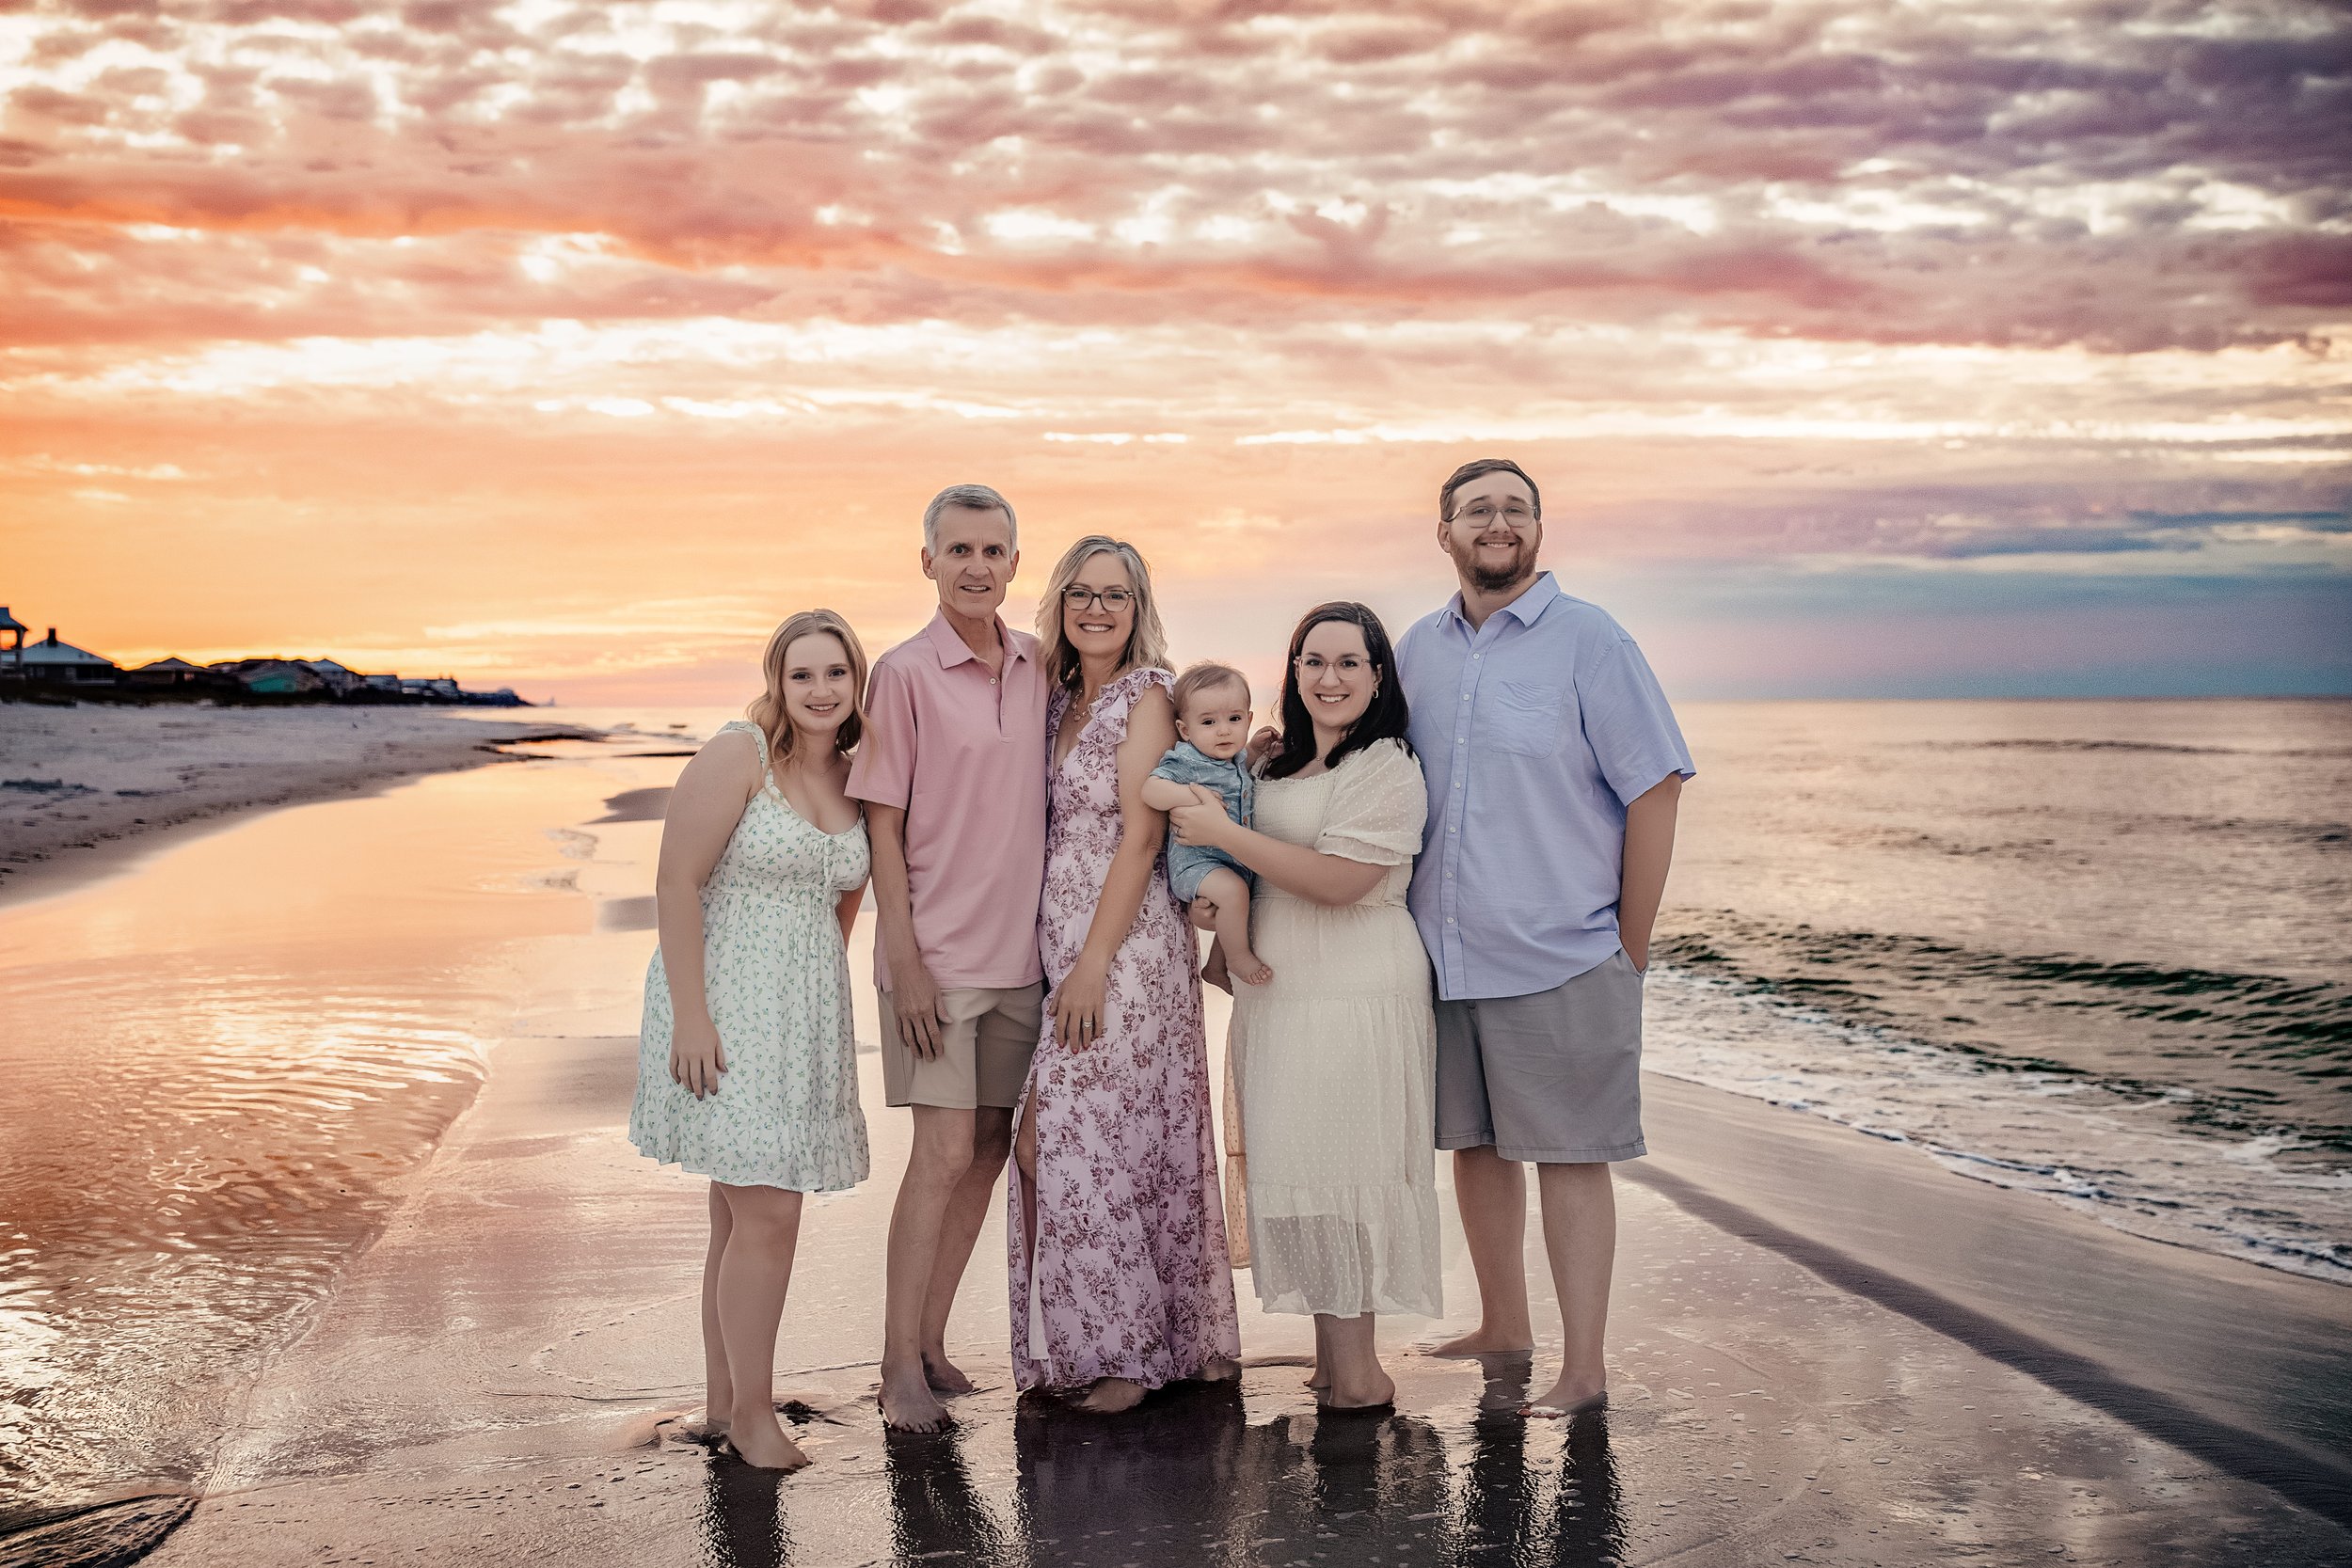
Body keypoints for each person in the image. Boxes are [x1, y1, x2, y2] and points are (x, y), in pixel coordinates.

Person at [1395, 457, 1693, 1419]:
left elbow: (1654, 786)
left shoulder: (1590, 639)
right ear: (1443, 532)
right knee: (1475, 1145)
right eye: (1477, 509)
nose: (1498, 522)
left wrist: (1629, 947)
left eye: (1516, 509)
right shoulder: (1417, 648)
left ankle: (1586, 1365)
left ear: (1537, 529)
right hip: (1444, 952)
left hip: (1562, 950)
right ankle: (1503, 1324)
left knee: (1570, 1155)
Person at [1170, 601, 1440, 1411]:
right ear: (1292, 673)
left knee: (1347, 1167)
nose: (1329, 677)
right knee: (1300, 1168)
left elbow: (1340, 880)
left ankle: (1360, 1372)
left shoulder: (1387, 765)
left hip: (1357, 990)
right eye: (1312, 661)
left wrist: (1222, 828)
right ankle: (1331, 1357)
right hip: (1281, 995)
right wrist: (1210, 895)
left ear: (1378, 675)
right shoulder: (1274, 764)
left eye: (1348, 662)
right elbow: (1233, 861)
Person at [628, 610, 875, 1471]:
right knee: (768, 1209)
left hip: (801, 1016)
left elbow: (839, 906)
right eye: (802, 674)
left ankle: (724, 1401)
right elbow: (675, 880)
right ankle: (755, 1417)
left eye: (835, 674)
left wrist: (815, 1006)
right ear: (778, 680)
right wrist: (691, 1015)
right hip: (723, 1004)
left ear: (856, 681)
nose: (819, 690)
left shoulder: (855, 773)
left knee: (737, 1214)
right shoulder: (740, 753)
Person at [1009, 536, 1244, 1413]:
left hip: (1126, 949)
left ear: (1139, 606)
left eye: (1115, 593)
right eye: (1081, 593)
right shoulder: (1059, 697)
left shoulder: (1148, 696)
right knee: (1098, 1137)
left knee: (1065, 1138)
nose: (1097, 608)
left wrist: (1094, 963)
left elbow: (1143, 839)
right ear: (1060, 604)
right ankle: (1157, 1341)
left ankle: (1123, 1357)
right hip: (1061, 942)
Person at [849, 483, 1051, 1433]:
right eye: (959, 548)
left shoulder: (1043, 665)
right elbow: (880, 824)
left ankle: (932, 1339)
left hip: (1023, 963)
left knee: (983, 1150)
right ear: (926, 560)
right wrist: (904, 955)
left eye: (994, 549)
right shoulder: (903, 674)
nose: (977, 564)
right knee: (936, 1153)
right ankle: (895, 1365)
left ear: (1016, 563)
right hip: (935, 964)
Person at [1141, 661, 1272, 986]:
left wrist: (1254, 749)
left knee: (1238, 899)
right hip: (1195, 863)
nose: (1224, 730)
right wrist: (1189, 796)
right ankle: (1238, 959)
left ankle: (1215, 967)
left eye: (1234, 719)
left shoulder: (1236, 758)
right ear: (1186, 730)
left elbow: (1241, 774)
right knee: (1233, 893)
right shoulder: (1186, 760)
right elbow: (1151, 789)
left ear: (1249, 719)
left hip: (1232, 860)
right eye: (1209, 722)